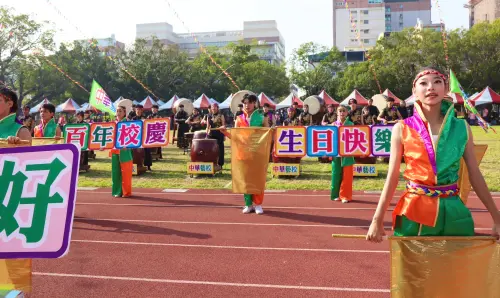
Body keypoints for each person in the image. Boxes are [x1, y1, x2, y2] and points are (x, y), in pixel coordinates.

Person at [367, 67, 500, 242]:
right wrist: (377, 220)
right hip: (414, 211)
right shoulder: (402, 128)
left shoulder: (461, 128)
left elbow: (474, 174)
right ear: (414, 91)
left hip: (453, 211)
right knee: (414, 268)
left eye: (437, 82)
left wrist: (496, 218)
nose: (431, 87)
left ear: (445, 89)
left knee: (455, 267)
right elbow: (392, 176)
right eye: (423, 83)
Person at [233, 93, 269, 215]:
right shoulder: (238, 119)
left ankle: (258, 204)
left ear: (255, 103)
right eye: (245, 103)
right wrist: (224, 132)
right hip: (243, 154)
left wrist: (272, 131)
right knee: (246, 179)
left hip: (258, 153)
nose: (246, 105)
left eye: (249, 103)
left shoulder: (262, 117)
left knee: (257, 179)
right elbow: (235, 137)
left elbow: (268, 135)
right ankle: (248, 204)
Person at [331, 106, 354, 203]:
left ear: (347, 113)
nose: (342, 113)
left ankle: (345, 196)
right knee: (336, 174)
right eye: (340, 111)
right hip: (336, 153)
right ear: (337, 113)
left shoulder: (351, 124)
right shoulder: (333, 125)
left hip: (348, 152)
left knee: (347, 175)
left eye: (344, 111)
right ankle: (335, 194)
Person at [109, 105, 133, 198]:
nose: (118, 113)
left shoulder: (128, 123)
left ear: (124, 113)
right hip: (115, 151)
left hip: (125, 151)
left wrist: (127, 145)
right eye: (117, 111)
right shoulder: (113, 124)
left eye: (120, 111)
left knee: (126, 173)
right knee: (115, 172)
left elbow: (133, 137)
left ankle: (126, 192)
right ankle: (117, 192)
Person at [202, 103, 226, 171]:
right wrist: (206, 134)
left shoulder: (221, 115)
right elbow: (207, 126)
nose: (213, 110)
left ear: (217, 108)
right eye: (212, 109)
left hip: (219, 134)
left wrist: (223, 130)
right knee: (210, 150)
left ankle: (220, 165)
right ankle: (211, 163)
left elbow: (224, 125)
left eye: (215, 108)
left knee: (220, 150)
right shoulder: (209, 116)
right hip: (211, 134)